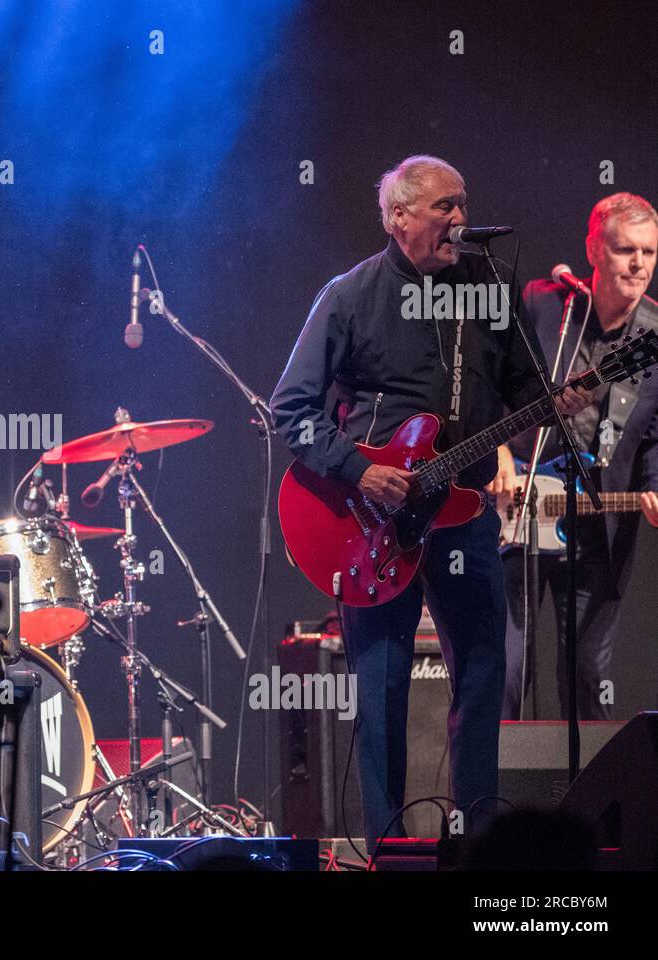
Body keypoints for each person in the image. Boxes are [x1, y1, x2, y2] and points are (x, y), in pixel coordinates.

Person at [270, 155, 591, 846]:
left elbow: (521, 397)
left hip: (463, 513)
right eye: (444, 206)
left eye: (463, 204)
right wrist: (357, 469)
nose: (459, 219)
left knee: (483, 674)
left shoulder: (485, 289)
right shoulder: (350, 295)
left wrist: (558, 402)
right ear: (398, 217)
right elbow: (290, 410)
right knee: (380, 692)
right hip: (372, 525)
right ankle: (388, 847)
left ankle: (479, 840)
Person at [491, 192, 658, 720]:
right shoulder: (546, 304)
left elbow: (656, 434)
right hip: (515, 505)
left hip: (596, 520)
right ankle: (493, 800)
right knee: (508, 668)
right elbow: (488, 383)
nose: (638, 265)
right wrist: (496, 454)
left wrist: (655, 482)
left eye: (649, 253)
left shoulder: (655, 335)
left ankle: (592, 802)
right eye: (624, 249)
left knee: (588, 672)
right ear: (593, 249)